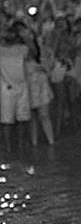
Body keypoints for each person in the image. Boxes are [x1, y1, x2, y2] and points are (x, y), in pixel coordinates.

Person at [0, 21, 32, 152]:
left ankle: (20, 144)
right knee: (7, 120)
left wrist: (26, 36)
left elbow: (32, 51)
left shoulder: (22, 49)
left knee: (22, 118)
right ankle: (8, 146)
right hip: (7, 87)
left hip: (22, 86)